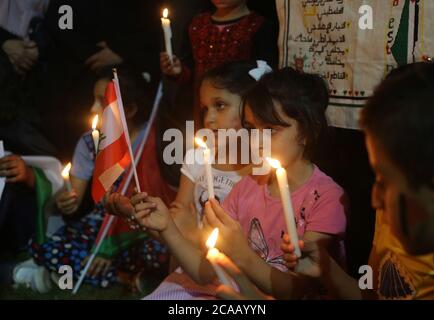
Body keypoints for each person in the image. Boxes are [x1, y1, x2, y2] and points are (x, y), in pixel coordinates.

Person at [106, 61, 260, 299]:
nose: (209, 119)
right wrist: (136, 214)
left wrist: (190, 233)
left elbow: (251, 249)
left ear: (251, 109)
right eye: (204, 109)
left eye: (220, 105)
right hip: (192, 270)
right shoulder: (198, 158)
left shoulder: (260, 171)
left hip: (242, 283)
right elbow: (176, 227)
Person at [160, 0, 278, 129]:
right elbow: (190, 72)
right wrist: (179, 71)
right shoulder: (196, 25)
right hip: (199, 112)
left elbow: (262, 75)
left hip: (238, 116)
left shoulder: (259, 27)